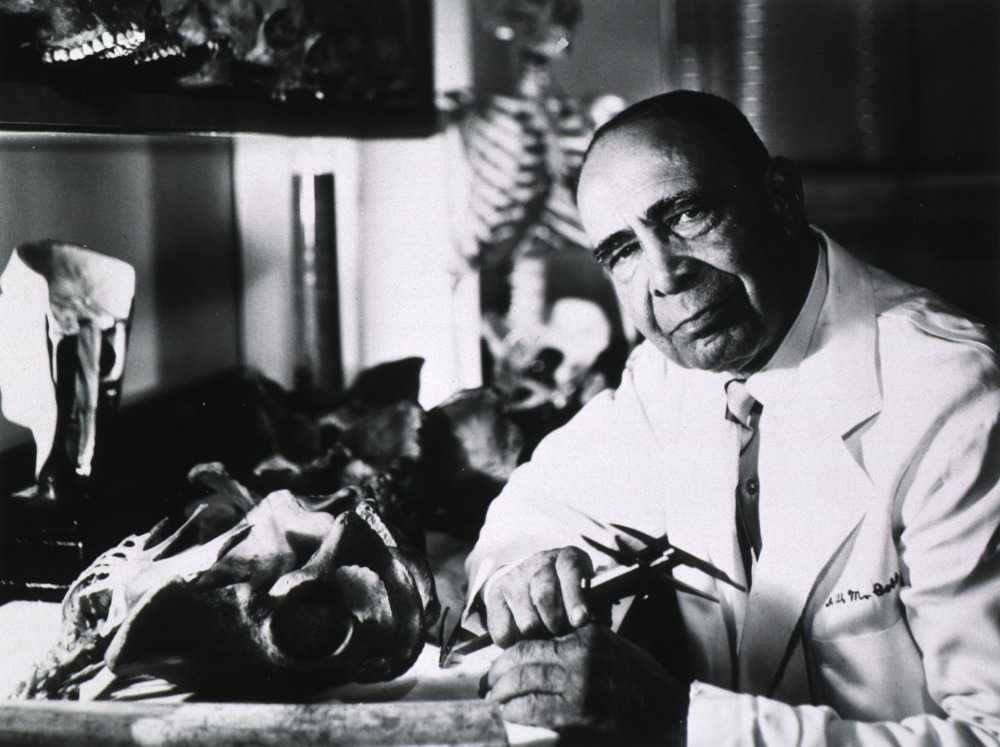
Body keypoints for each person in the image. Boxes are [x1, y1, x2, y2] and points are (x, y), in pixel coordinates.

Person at [463, 90, 1000, 745]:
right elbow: (538, 502)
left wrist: (680, 719)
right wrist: (524, 570)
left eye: (685, 213)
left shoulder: (952, 394)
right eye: (621, 251)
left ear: (780, 196)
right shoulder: (671, 375)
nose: (663, 276)